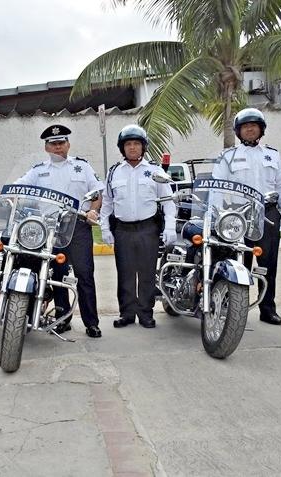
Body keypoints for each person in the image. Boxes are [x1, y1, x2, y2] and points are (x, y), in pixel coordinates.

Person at [13, 124, 105, 338]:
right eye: (53, 144)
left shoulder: (82, 167)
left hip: (79, 227)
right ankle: (62, 319)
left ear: (68, 144)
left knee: (85, 275)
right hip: (51, 228)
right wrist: (0, 194)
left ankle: (92, 322)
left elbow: (97, 194)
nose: (57, 147)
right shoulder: (38, 171)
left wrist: (93, 211)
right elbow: (19, 186)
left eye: (61, 142)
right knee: (57, 274)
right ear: (46, 147)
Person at [212, 108, 281, 325]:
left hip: (267, 214)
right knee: (238, 263)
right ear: (238, 131)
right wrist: (215, 215)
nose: (250, 129)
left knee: (268, 265)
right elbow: (217, 189)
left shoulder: (273, 155)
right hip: (238, 216)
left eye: (254, 126)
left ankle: (268, 309)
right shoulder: (228, 156)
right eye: (245, 126)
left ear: (261, 129)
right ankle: (235, 311)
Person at [100, 125, 176, 329]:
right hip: (122, 229)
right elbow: (107, 203)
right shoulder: (114, 172)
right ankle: (127, 313)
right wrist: (105, 228)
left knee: (146, 273)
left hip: (147, 229)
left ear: (143, 147)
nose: (132, 148)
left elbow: (169, 202)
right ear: (122, 148)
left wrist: (170, 228)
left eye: (136, 144)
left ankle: (145, 313)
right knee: (124, 273)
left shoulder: (155, 171)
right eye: (128, 144)